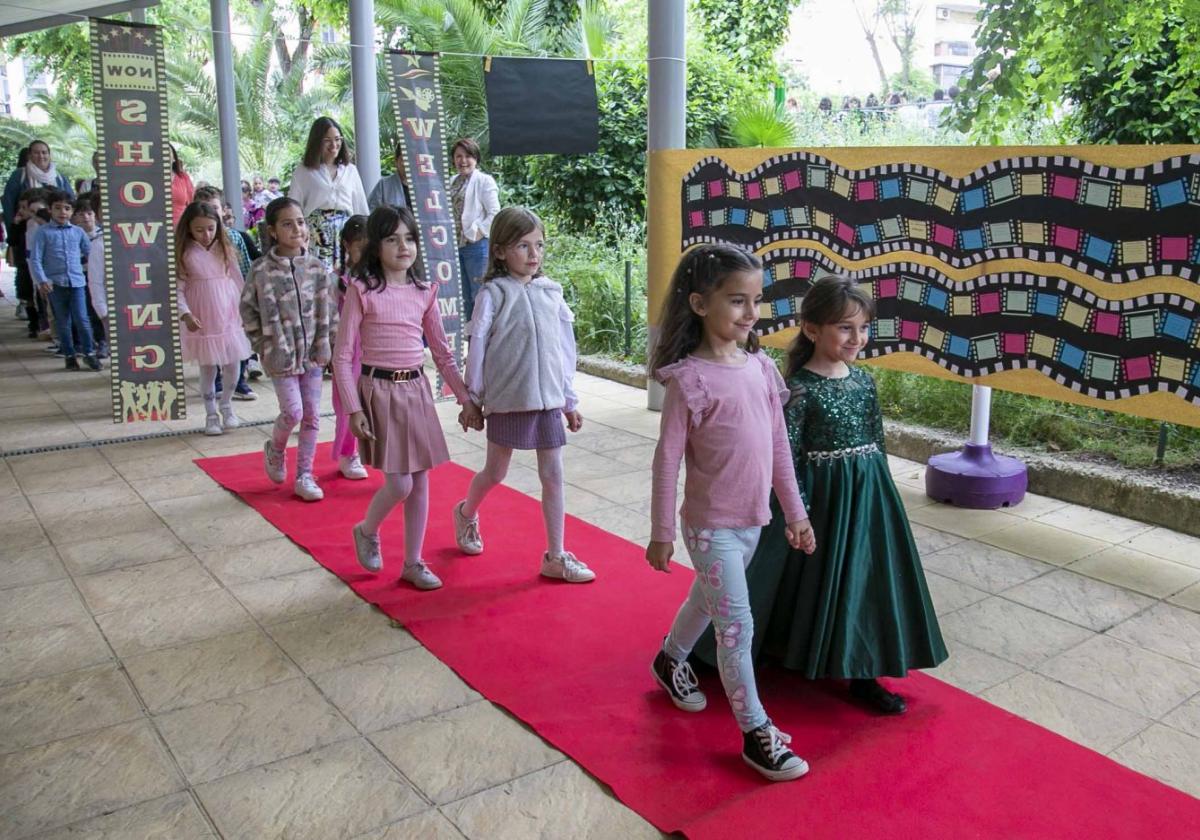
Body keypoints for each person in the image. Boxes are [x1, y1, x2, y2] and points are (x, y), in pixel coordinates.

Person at [700, 275, 947, 714]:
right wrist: (800, 512)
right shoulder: (798, 388)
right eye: (845, 328)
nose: (857, 338)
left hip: (867, 494)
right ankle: (757, 646)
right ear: (812, 329)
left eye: (864, 328)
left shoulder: (865, 382)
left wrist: (884, 497)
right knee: (802, 579)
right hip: (820, 496)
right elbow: (785, 456)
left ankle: (864, 671)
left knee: (865, 582)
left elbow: (877, 440)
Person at [644, 244, 815, 782]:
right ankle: (755, 733)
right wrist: (661, 533)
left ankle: (670, 659)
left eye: (756, 300)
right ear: (699, 303)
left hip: (752, 522)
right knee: (736, 626)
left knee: (708, 599)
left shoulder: (762, 369)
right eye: (737, 301)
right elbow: (667, 460)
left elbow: (779, 449)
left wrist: (796, 514)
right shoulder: (688, 380)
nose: (750, 313)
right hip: (709, 526)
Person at [452, 207, 594, 584]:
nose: (534, 255)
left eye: (539, 245)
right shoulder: (492, 295)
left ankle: (556, 556)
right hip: (508, 400)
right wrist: (474, 399)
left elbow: (564, 350)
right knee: (496, 472)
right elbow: (478, 346)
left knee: (554, 474)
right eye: (522, 246)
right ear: (499, 251)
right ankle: (466, 512)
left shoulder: (551, 293)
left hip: (548, 401)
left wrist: (569, 400)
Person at [336, 207, 474, 590]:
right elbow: (343, 354)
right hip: (377, 392)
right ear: (375, 246)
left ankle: (413, 562)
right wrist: (352, 407)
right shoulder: (361, 290)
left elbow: (443, 353)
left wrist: (464, 398)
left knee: (420, 481)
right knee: (399, 484)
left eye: (409, 238)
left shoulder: (423, 292)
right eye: (392, 239)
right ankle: (367, 529)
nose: (403, 246)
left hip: (416, 391)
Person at [241, 196, 338, 501]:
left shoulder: (317, 268)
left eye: (299, 221)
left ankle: (305, 475)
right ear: (272, 230)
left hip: (313, 353)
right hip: (280, 354)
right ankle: (276, 448)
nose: (296, 228)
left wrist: (329, 343)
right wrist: (263, 344)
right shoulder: (261, 271)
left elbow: (329, 310)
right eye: (287, 223)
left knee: (312, 416)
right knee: (293, 412)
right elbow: (247, 311)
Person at [176, 202, 253, 436]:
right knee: (208, 368)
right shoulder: (185, 253)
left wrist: (247, 306)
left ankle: (227, 405)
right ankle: (210, 414)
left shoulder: (225, 247)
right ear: (188, 229)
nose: (206, 234)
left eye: (210, 228)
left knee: (233, 364)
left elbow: (238, 279)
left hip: (228, 312)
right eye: (199, 229)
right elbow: (178, 288)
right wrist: (185, 313)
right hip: (201, 316)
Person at [194, 185, 261, 399]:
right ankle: (215, 384)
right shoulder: (192, 246)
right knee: (211, 348)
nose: (210, 214)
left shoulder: (236, 237)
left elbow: (249, 265)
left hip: (234, 300)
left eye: (214, 208)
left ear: (222, 210)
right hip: (207, 304)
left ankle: (239, 381)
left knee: (239, 343)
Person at [29, 189, 99, 371]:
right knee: (63, 321)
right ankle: (69, 355)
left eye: (67, 208)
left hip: (77, 282)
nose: (62, 212)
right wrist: (42, 280)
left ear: (72, 211)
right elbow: (35, 259)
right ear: (50, 210)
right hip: (55, 285)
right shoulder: (43, 233)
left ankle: (89, 353)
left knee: (82, 320)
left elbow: (91, 253)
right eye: (57, 208)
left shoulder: (78, 232)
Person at [287, 116, 369, 269]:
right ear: (317, 141)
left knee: (346, 280)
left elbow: (360, 208)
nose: (334, 145)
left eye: (338, 139)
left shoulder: (350, 170)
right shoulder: (303, 171)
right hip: (316, 237)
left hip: (346, 235)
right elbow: (293, 207)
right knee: (319, 282)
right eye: (327, 140)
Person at [330, 215, 370, 480]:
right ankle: (348, 453)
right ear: (346, 245)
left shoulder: (379, 278)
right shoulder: (336, 280)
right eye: (360, 247)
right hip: (348, 351)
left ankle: (372, 449)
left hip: (374, 348)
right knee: (348, 403)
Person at [447, 137, 499, 322]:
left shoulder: (484, 181)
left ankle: (485, 339)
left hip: (476, 246)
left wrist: (479, 232)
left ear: (476, 158)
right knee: (464, 297)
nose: (463, 160)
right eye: (458, 156)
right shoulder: (452, 181)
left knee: (480, 294)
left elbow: (494, 213)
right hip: (454, 247)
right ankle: (472, 341)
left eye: (468, 156)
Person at [72, 193, 107, 359]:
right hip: (82, 277)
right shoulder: (79, 236)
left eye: (89, 213)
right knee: (92, 311)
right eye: (81, 214)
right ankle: (100, 341)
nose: (86, 217)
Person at [367, 144, 411, 212]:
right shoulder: (383, 185)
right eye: (404, 158)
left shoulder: (426, 186)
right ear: (396, 161)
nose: (408, 163)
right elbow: (370, 213)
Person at [169, 144, 194, 228]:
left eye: (167, 152)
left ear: (174, 158)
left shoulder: (183, 177)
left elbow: (191, 204)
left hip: (181, 228)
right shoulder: (150, 179)